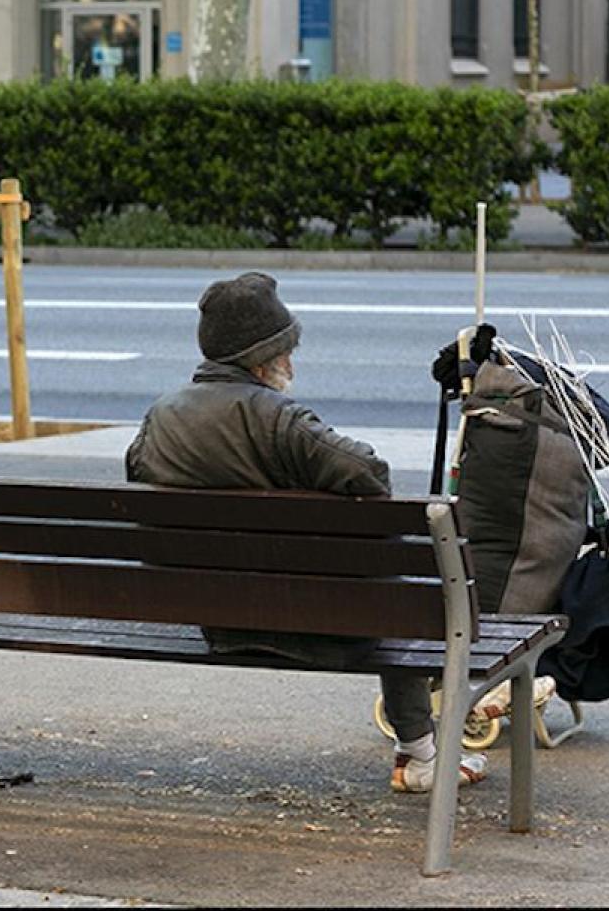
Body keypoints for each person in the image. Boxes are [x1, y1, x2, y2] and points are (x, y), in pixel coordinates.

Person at [124, 271, 487, 794]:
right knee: (411, 590)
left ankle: (419, 750)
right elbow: (369, 475)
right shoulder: (276, 417)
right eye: (284, 351)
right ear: (259, 359)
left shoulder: (159, 418)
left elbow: (138, 488)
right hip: (310, 624)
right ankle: (420, 752)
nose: (290, 363)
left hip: (208, 615)